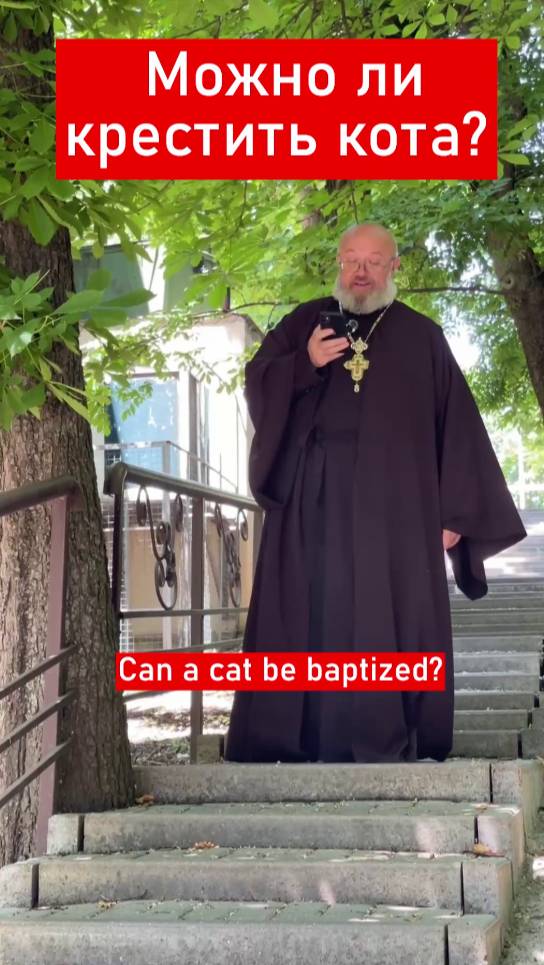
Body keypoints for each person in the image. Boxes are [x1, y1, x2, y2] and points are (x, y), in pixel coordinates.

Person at [224, 222, 527, 765]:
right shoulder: (304, 324)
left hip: (397, 511)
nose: (360, 272)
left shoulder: (423, 338)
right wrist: (305, 363)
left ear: (394, 267)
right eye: (351, 260)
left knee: (386, 616)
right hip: (312, 506)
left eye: (372, 261)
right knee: (313, 611)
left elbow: (457, 427)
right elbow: (257, 383)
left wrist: (454, 512)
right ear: (339, 264)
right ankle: (298, 738)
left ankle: (386, 732)